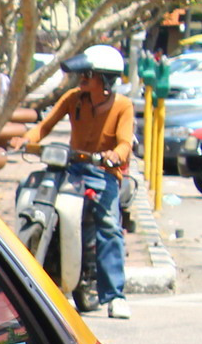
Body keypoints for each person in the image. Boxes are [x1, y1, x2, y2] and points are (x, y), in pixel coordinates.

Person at [22, 43, 133, 318]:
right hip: (71, 167)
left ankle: (115, 296)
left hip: (102, 172)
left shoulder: (122, 105)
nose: (82, 79)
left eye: (88, 74)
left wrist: (114, 156)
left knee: (109, 226)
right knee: (33, 195)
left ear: (105, 80)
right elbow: (44, 126)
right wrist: (26, 140)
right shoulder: (74, 98)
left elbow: (124, 143)